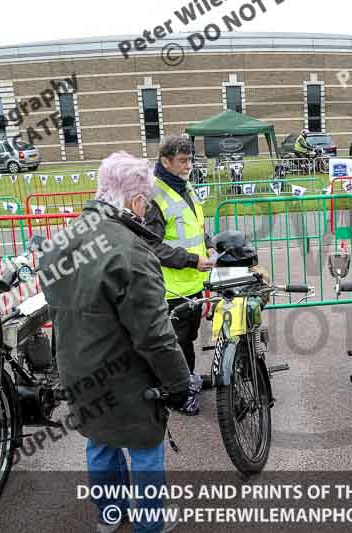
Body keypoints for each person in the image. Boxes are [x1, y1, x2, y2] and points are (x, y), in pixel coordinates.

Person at [39, 151, 191, 533]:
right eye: (146, 203)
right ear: (136, 201)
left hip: (76, 362)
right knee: (143, 446)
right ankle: (150, 524)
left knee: (101, 441)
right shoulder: (131, 251)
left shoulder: (63, 238)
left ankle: (109, 515)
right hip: (126, 373)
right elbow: (155, 334)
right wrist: (179, 383)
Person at [144, 135, 214, 416]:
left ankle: (187, 382)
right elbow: (152, 244)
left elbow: (194, 226)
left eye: (190, 160)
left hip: (193, 283)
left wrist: (208, 243)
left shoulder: (185, 187)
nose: (188, 166)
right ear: (165, 161)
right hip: (171, 289)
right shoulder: (156, 196)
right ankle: (178, 395)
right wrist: (191, 260)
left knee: (188, 339)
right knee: (176, 345)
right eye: (182, 161)